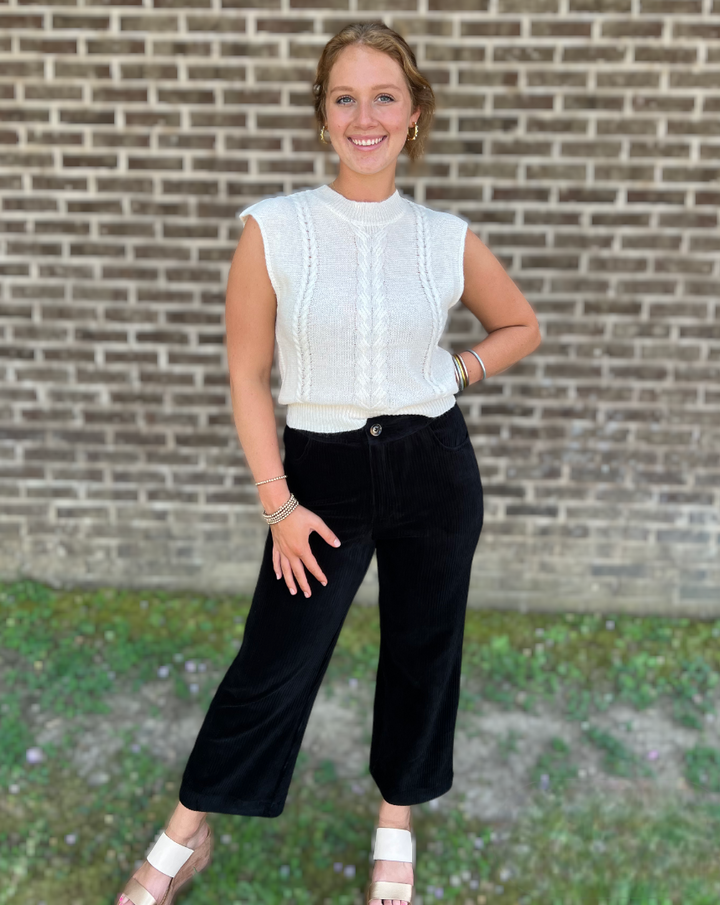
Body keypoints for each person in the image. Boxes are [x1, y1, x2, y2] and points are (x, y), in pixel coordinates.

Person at [116, 21, 542, 905]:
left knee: (423, 651)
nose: (365, 117)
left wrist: (454, 372)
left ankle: (395, 826)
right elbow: (246, 374)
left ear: (414, 114)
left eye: (385, 97)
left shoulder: (444, 236)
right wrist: (279, 504)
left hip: (433, 468)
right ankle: (185, 835)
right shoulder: (275, 228)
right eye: (345, 98)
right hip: (319, 478)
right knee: (274, 661)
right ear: (323, 115)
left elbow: (520, 326)